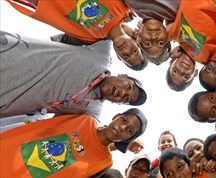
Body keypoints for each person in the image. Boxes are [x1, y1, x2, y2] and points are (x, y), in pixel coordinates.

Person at [0, 108, 147, 178]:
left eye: (129, 130)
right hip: (8, 155)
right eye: (124, 120)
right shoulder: (84, 119)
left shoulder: (105, 163)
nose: (122, 128)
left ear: (128, 139)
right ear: (116, 116)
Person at [0, 30, 147, 120]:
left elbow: (96, 136)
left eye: (125, 99)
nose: (122, 92)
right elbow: (107, 24)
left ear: (118, 104)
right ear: (124, 75)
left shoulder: (91, 111)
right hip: (7, 51)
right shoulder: (101, 54)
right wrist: (127, 30)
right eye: (128, 87)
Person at [6, 0, 148, 70]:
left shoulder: (89, 39)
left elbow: (56, 46)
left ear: (118, 56)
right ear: (136, 40)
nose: (126, 51)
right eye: (134, 50)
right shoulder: (123, 8)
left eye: (126, 57)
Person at [122, 0, 181, 65]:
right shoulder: (176, 9)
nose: (153, 37)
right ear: (167, 37)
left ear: (139, 39)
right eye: (160, 43)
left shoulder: (130, 5)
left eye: (147, 43)